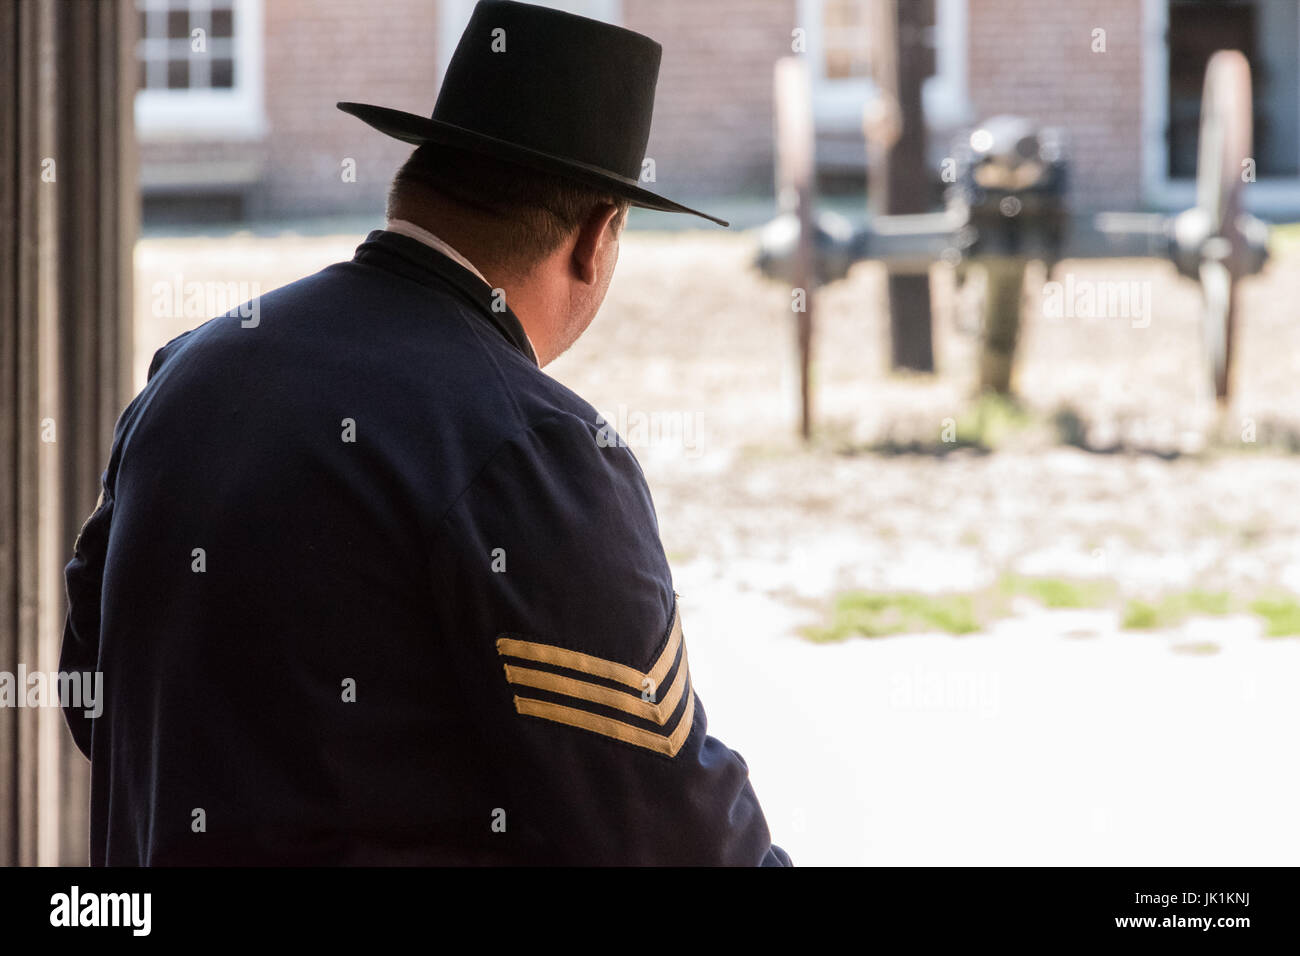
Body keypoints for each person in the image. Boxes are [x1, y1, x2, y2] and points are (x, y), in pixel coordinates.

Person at [60, 0, 789, 866]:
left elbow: (88, 693)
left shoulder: (189, 371)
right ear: (597, 239)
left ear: (417, 179)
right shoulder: (530, 448)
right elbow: (670, 833)